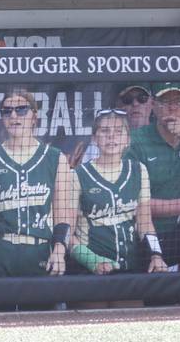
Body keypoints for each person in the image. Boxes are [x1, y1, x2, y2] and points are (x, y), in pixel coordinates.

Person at [0, 90, 76, 278]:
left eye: (21, 109)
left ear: (34, 116)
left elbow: (64, 213)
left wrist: (59, 249)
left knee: (40, 307)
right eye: (7, 111)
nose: (14, 115)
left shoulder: (55, 158)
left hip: (39, 250)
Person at [72, 109, 167, 279]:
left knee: (130, 306)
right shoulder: (77, 174)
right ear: (94, 138)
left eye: (118, 131)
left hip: (130, 268)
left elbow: (145, 223)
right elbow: (67, 232)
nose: (111, 136)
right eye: (105, 131)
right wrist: (92, 261)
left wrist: (156, 255)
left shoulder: (139, 170)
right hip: (89, 272)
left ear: (127, 140)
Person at [127, 82, 180, 268]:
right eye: (165, 102)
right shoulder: (136, 141)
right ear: (153, 106)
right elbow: (134, 204)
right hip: (141, 234)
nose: (172, 108)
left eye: (179, 102)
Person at [71, 84, 154, 166]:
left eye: (142, 99)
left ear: (152, 103)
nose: (135, 104)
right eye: (128, 99)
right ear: (118, 105)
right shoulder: (99, 142)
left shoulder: (159, 135)